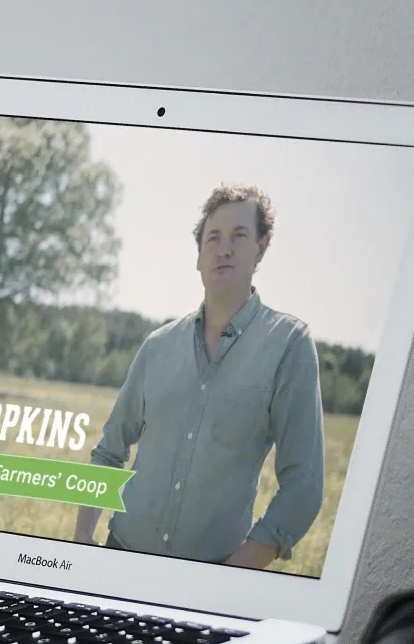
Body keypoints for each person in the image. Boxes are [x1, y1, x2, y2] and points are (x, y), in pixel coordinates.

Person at [73, 184, 324, 569]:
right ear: (199, 256)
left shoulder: (289, 346)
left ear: (262, 247)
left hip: (210, 577)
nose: (224, 249)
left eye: (239, 236)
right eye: (213, 238)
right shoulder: (158, 346)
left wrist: (230, 576)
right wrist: (81, 540)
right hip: (118, 557)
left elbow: (303, 486)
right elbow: (109, 451)